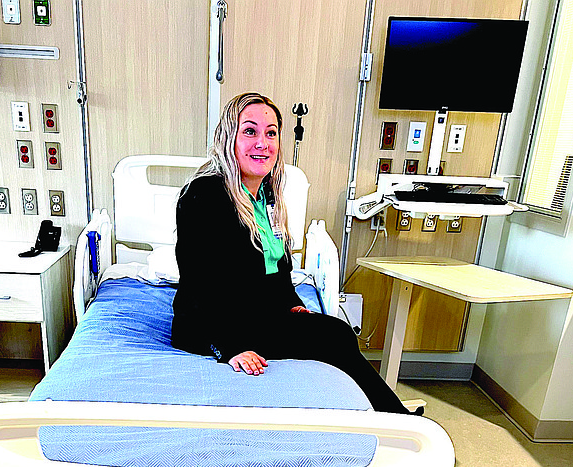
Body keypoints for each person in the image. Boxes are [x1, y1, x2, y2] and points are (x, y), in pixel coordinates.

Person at [171, 91, 410, 414]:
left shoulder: (266, 194)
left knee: (335, 332)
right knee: (334, 337)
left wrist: (293, 305)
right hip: (211, 326)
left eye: (271, 133)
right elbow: (201, 284)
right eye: (250, 131)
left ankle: (383, 412)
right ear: (229, 138)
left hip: (255, 314)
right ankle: (393, 417)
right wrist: (230, 348)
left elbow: (275, 270)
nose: (263, 143)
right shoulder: (205, 195)